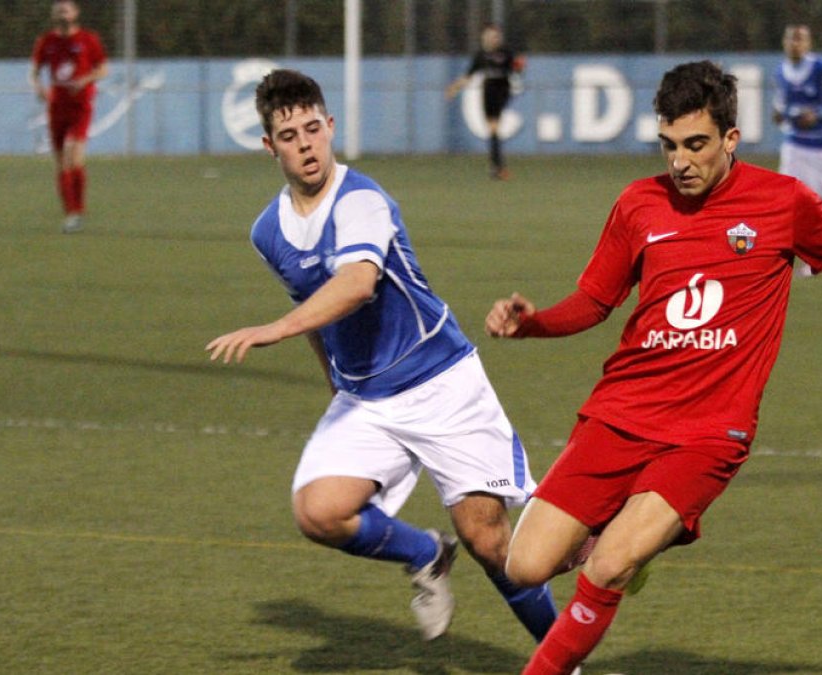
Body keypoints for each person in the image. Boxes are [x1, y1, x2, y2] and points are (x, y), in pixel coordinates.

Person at [485, 60, 822, 675]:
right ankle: (631, 537)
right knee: (524, 567)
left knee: (607, 568)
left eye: (696, 145)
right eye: (668, 145)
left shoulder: (784, 203)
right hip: (620, 412)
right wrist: (536, 321)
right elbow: (596, 303)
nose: (679, 161)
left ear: (731, 139)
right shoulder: (638, 204)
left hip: (711, 430)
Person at [205, 69, 560, 646]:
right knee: (318, 511)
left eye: (313, 129)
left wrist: (276, 330)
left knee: (494, 546)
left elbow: (356, 284)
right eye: (290, 136)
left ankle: (565, 652)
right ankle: (426, 554)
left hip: (440, 381)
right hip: (366, 399)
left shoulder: (362, 199)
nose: (306, 145)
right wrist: (334, 385)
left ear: (331, 126)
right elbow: (316, 307)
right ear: (269, 146)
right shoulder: (268, 231)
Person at [771, 23, 822, 275]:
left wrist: (819, 114)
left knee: (812, 203)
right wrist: (779, 115)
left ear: (808, 44)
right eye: (791, 39)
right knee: (787, 200)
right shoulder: (781, 73)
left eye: (800, 40)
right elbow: (782, 106)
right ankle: (807, 259)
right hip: (795, 142)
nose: (795, 44)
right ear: (785, 43)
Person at [30, 0, 108, 234]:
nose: (62, 11)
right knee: (63, 163)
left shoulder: (88, 39)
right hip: (57, 109)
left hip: (80, 108)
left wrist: (85, 80)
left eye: (67, 7)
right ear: (54, 14)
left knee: (72, 154)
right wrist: (39, 88)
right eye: (58, 8)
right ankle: (71, 213)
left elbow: (103, 68)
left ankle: (77, 212)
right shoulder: (46, 41)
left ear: (76, 13)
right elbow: (34, 72)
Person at [444, 23, 525, 180]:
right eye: (489, 36)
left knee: (494, 127)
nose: (493, 39)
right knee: (492, 130)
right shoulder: (481, 55)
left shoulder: (505, 52)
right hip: (488, 92)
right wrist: (454, 88)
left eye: (495, 36)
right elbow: (469, 76)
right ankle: (497, 167)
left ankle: (498, 167)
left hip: (502, 90)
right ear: (484, 38)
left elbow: (516, 69)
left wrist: (520, 66)